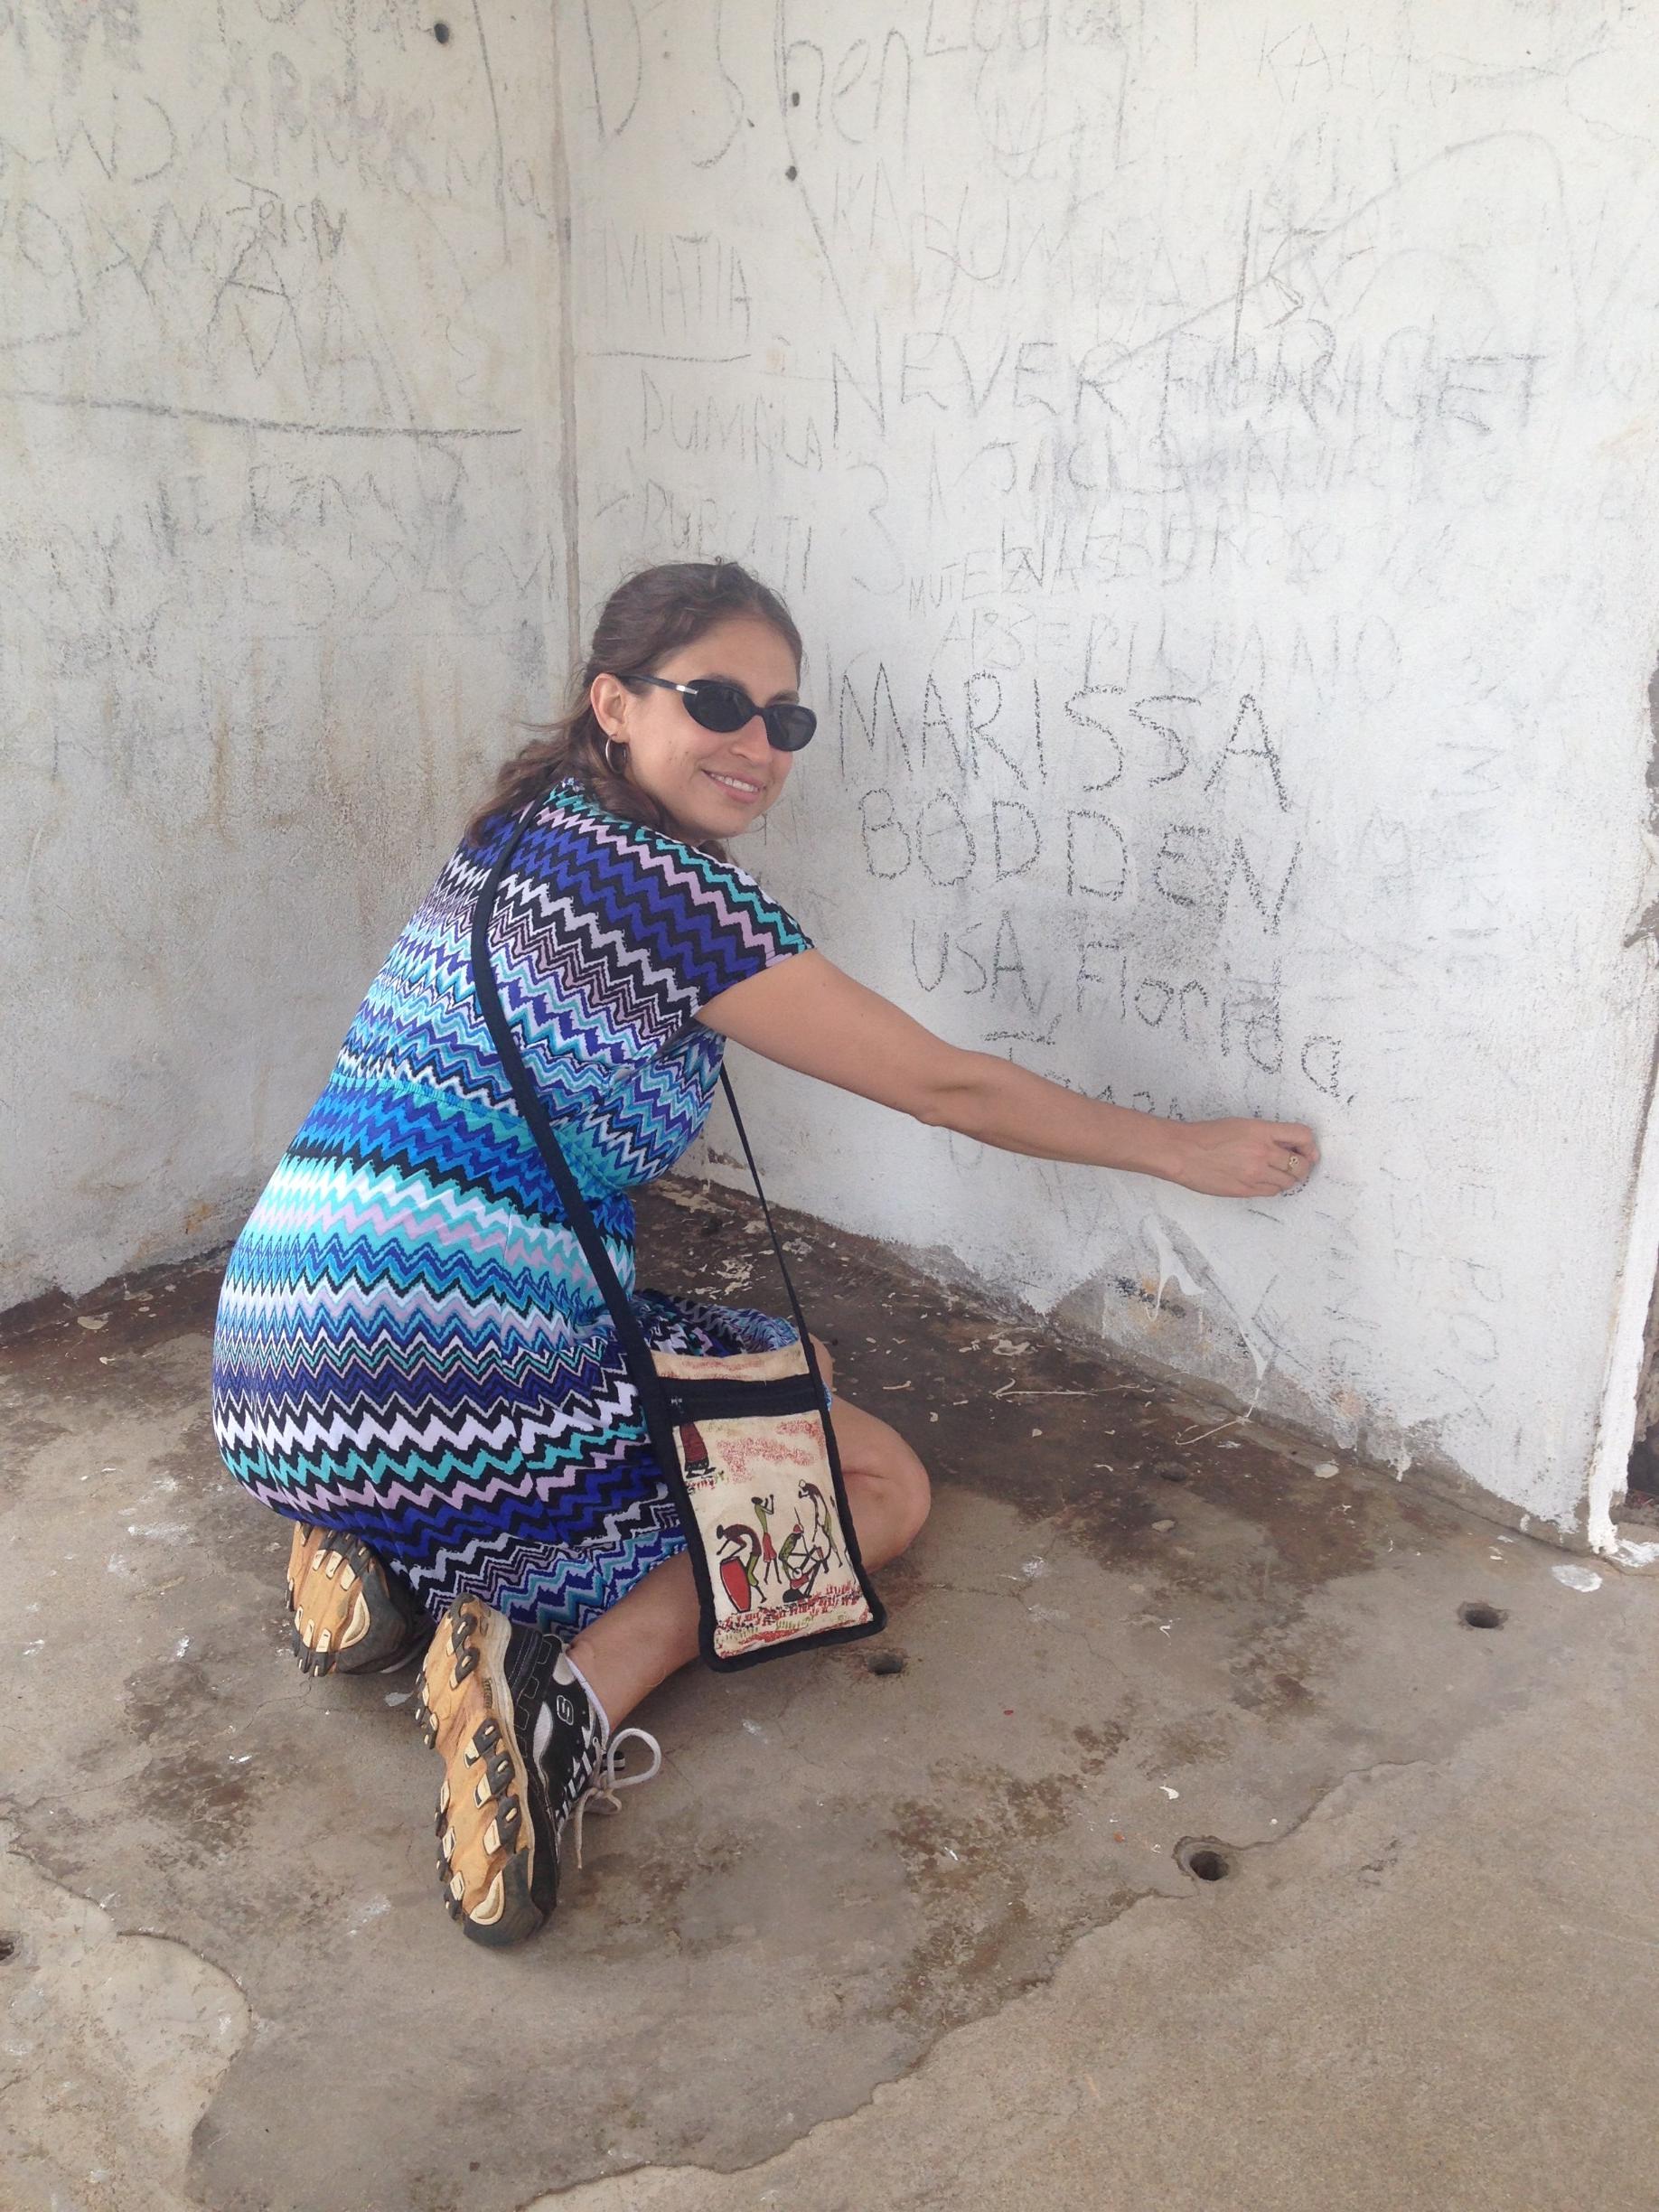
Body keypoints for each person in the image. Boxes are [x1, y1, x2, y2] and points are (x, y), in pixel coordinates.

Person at [211, 559, 1318, 1948]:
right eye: (718, 702)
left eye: (784, 720)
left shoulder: (516, 835)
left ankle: (370, 1549)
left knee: (783, 1368)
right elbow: (945, 1087)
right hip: (456, 1382)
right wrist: (1179, 1150)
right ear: (614, 702)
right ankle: (559, 1689)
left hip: (274, 1362)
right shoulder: (670, 895)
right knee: (873, 1483)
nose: (758, 745)